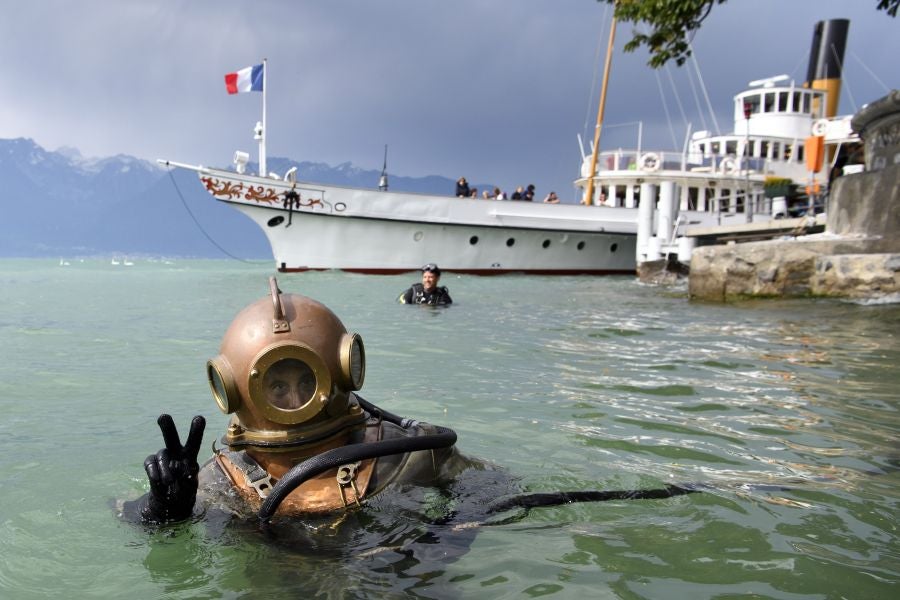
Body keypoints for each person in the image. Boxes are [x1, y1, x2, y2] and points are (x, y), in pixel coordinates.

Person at [125, 277, 468, 524]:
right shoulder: (221, 484)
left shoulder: (409, 456)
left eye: (308, 382)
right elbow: (129, 518)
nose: (297, 400)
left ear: (344, 371)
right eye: (277, 389)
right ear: (234, 390)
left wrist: (447, 539)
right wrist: (163, 508)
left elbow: (504, 499)